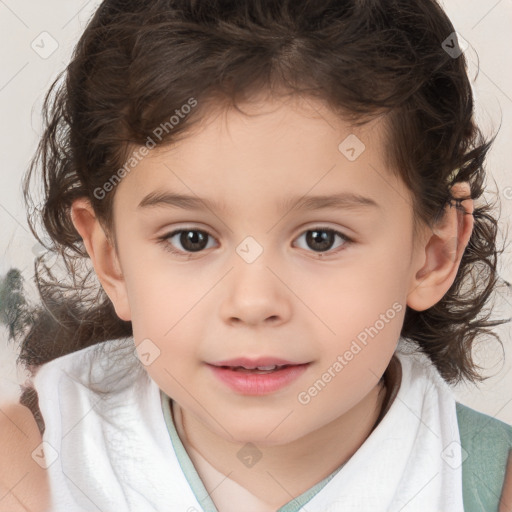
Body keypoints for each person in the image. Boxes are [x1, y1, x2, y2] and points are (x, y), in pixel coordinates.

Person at [2, 0, 512, 510]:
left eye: (321, 239)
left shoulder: (490, 486)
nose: (252, 303)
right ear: (111, 258)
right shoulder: (28, 467)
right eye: (191, 239)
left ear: (431, 254)